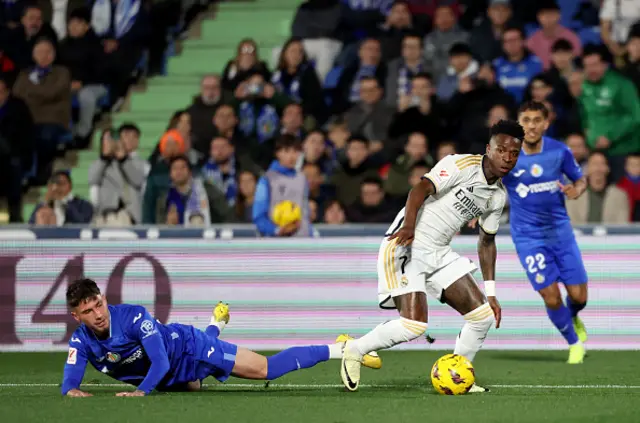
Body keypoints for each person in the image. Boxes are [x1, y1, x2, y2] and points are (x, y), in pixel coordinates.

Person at [340, 120, 525, 393]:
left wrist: (492, 292)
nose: (507, 158)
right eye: (502, 150)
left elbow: (487, 242)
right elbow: (420, 189)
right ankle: (354, 349)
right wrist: (409, 226)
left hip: (439, 252)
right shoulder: (461, 165)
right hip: (408, 243)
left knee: (482, 316)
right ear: (489, 149)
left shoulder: (497, 197)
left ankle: (457, 375)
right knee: (414, 325)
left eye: (514, 153)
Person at [61, 278, 382, 397]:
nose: (98, 314)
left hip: (187, 349)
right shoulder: (81, 340)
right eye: (88, 311)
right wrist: (72, 390)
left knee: (265, 369)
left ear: (104, 298)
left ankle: (342, 347)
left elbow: (158, 362)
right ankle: (216, 323)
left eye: (99, 304)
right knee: (194, 386)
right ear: (77, 316)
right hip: (170, 377)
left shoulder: (133, 317)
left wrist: (141, 392)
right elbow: (69, 382)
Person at [502, 101, 588, 364]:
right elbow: (487, 185)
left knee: (579, 297)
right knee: (551, 296)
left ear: (546, 123)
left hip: (560, 233)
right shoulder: (507, 155)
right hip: (528, 237)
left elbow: (580, 179)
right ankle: (574, 344)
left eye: (537, 120)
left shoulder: (559, 151)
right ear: (519, 124)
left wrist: (577, 190)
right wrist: (477, 212)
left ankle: (573, 315)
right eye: (526, 120)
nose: (531, 125)